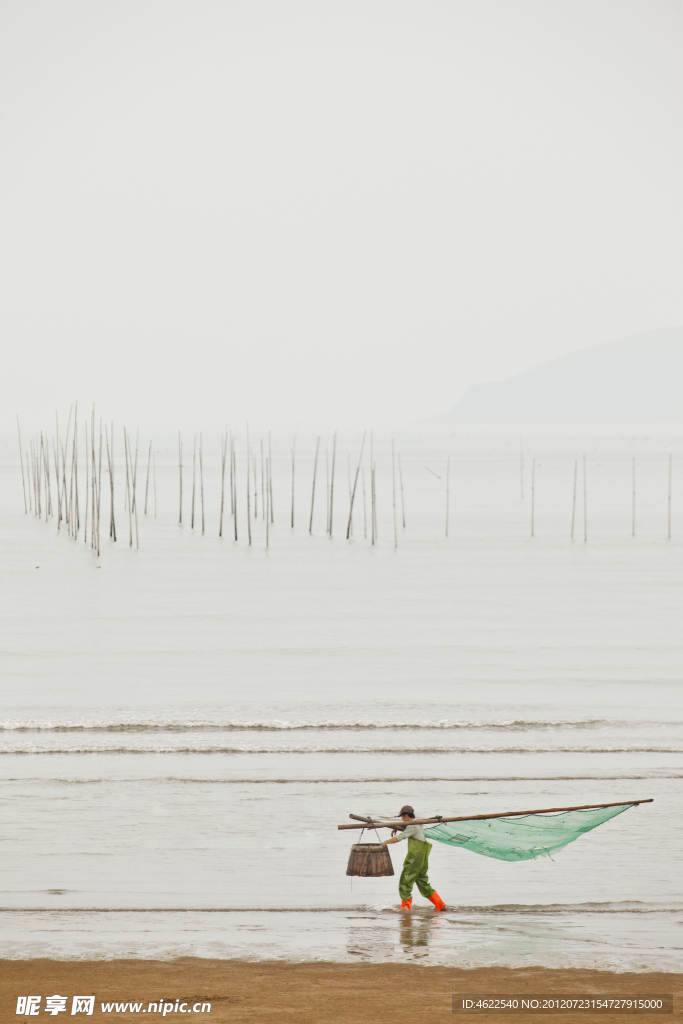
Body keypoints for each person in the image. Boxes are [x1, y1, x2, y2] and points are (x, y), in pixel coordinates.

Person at [382, 805, 446, 911]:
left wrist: (386, 842)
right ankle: (440, 904)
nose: (402, 819)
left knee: (405, 881)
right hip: (423, 857)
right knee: (422, 881)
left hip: (415, 857)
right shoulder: (418, 823)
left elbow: (400, 837)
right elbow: (406, 826)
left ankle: (405, 908)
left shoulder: (413, 826)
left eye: (402, 816)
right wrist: (396, 827)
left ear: (406, 815)